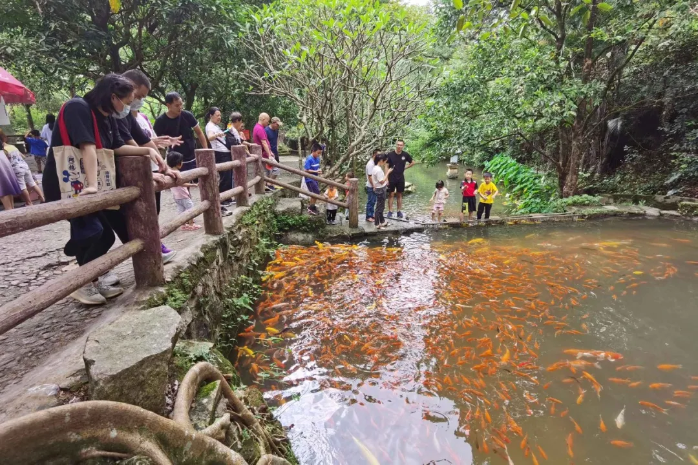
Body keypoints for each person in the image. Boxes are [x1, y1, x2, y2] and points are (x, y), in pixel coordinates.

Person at [42, 73, 164, 305]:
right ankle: (81, 282)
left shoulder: (106, 116)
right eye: (127, 103)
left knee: (99, 233)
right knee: (95, 232)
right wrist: (91, 186)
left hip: (92, 183)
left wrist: (149, 153)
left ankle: (90, 279)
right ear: (113, 97)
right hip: (70, 183)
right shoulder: (77, 107)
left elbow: (116, 147)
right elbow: (87, 146)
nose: (128, 108)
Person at [120, 69, 181, 263]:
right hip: (124, 174)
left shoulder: (130, 115)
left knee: (152, 212)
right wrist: (149, 162)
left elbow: (143, 141)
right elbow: (125, 144)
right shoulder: (111, 114)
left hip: (147, 171)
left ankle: (154, 248)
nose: (136, 101)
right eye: (137, 96)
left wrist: (164, 166)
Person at [153, 92, 207, 172]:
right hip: (174, 161)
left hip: (192, 157)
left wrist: (205, 150)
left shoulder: (187, 115)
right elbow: (155, 141)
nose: (180, 107)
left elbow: (199, 133)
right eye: (177, 105)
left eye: (181, 104)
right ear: (168, 105)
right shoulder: (161, 121)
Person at [0, 130, 45, 205]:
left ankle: (29, 202)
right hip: (25, 166)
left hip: (16, 169)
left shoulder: (3, 150)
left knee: (22, 186)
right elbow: (23, 156)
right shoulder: (12, 146)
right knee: (32, 183)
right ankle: (42, 197)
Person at [205, 107, 235, 212]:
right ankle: (222, 199)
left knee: (227, 176)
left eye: (220, 115)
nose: (219, 117)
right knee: (224, 176)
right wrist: (218, 134)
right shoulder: (210, 126)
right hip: (220, 153)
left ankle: (226, 198)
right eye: (217, 115)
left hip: (224, 152)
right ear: (211, 115)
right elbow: (209, 137)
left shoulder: (215, 126)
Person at [167, 151, 201, 231]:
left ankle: (183, 224)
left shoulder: (169, 172)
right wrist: (193, 185)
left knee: (181, 210)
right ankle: (191, 224)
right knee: (190, 209)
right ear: (178, 163)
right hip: (183, 195)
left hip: (176, 196)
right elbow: (181, 184)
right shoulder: (177, 173)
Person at [386, 139, 414, 219]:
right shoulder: (390, 154)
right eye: (398, 144)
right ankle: (390, 211)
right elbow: (386, 166)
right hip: (391, 177)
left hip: (400, 177)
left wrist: (405, 167)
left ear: (403, 146)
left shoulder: (405, 154)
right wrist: (386, 178)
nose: (399, 146)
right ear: (396, 145)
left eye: (401, 145)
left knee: (399, 194)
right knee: (391, 194)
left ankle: (399, 211)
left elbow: (412, 162)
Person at [252, 113, 278, 190]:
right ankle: (268, 185)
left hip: (264, 153)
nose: (268, 122)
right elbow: (264, 142)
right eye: (267, 120)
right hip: (263, 154)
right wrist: (269, 154)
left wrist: (270, 151)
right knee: (276, 169)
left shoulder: (259, 127)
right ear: (263, 119)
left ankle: (266, 186)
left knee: (267, 171)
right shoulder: (259, 129)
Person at [372, 154, 393, 229]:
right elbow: (381, 181)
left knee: (381, 206)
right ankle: (377, 224)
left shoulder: (375, 168)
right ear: (381, 161)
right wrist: (388, 172)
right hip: (380, 189)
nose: (385, 163)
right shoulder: (378, 170)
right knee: (379, 207)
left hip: (379, 188)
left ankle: (382, 221)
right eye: (385, 161)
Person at [0, 140, 21, 210]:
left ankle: (9, 209)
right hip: (2, 156)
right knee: (7, 183)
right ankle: (11, 209)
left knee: (2, 187)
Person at [303, 142, 323, 215]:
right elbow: (306, 170)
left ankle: (312, 206)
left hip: (315, 178)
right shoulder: (309, 159)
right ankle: (311, 208)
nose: (319, 155)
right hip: (309, 179)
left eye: (320, 153)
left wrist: (319, 170)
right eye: (318, 153)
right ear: (313, 151)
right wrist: (315, 171)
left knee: (315, 193)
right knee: (315, 193)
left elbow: (317, 167)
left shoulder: (317, 158)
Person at [365, 149, 379, 223]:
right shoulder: (370, 164)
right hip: (371, 185)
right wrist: (374, 186)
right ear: (374, 155)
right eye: (378, 155)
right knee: (370, 201)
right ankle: (368, 216)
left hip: (373, 185)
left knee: (373, 201)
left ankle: (371, 214)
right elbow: (370, 176)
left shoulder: (374, 163)